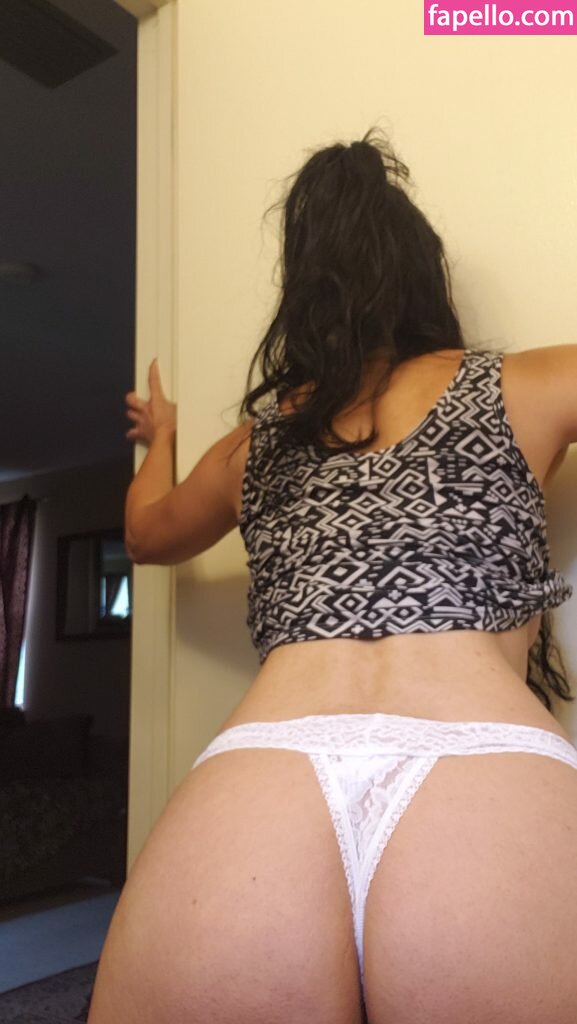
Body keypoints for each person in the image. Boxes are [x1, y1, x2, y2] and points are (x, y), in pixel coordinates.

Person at [88, 128, 577, 1024]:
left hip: (267, 768)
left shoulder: (256, 444)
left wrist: (161, 439)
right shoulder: (524, 384)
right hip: (480, 754)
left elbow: (144, 535)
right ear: (422, 276)